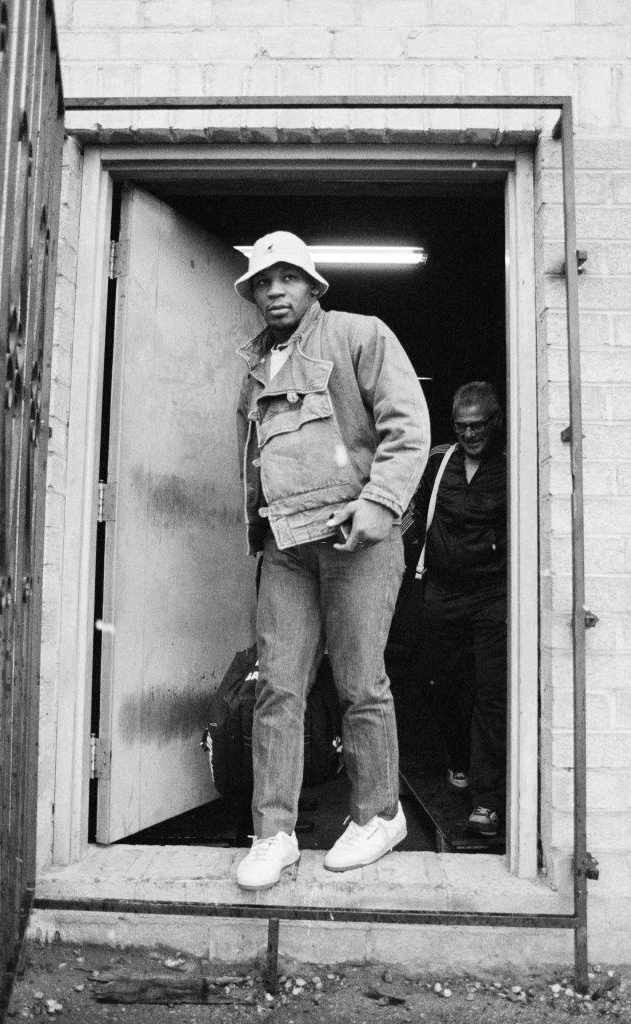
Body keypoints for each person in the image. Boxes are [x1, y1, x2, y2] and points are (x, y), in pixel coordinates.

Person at [233, 231, 430, 890]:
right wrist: (255, 533)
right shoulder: (257, 366)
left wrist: (381, 503)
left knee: (358, 683)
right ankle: (274, 833)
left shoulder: (359, 335)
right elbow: (256, 462)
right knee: (277, 688)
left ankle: (379, 814)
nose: (275, 291)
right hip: (286, 546)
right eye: (263, 282)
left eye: (287, 278)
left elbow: (409, 428)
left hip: (358, 540)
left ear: (313, 286)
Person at [410, 381, 507, 839]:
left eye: (478, 425)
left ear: (497, 420)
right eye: (462, 426)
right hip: (442, 592)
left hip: (493, 594)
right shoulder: (439, 462)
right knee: (441, 682)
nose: (470, 434)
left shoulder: (513, 465)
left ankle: (486, 800)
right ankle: (458, 760)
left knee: (491, 692)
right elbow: (408, 515)